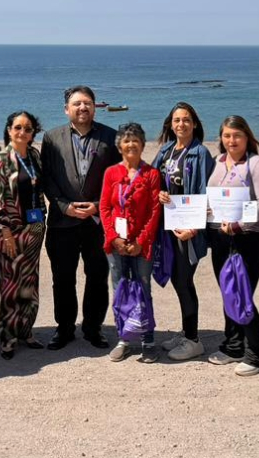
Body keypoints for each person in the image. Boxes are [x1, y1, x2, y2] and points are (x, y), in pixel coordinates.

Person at [40, 86, 118, 350]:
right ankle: (64, 328)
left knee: (97, 277)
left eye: (87, 103)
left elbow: (117, 178)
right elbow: (47, 177)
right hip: (63, 221)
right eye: (77, 103)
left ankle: (93, 328)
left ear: (94, 107)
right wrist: (64, 206)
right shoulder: (51, 138)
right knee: (63, 278)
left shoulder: (111, 137)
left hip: (98, 222)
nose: (82, 107)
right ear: (66, 109)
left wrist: (97, 206)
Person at [205, 115, 259, 376]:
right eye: (227, 135)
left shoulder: (257, 164)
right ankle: (234, 346)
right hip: (221, 237)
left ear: (247, 137)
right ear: (221, 138)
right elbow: (210, 197)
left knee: (241, 294)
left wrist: (238, 224)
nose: (231, 140)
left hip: (249, 238)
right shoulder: (217, 162)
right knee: (228, 292)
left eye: (237, 135)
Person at [151, 102, 215, 361]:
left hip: (188, 230)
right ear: (170, 124)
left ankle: (193, 340)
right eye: (177, 120)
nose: (181, 124)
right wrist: (159, 192)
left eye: (186, 119)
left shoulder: (200, 153)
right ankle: (186, 332)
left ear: (195, 123)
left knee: (184, 281)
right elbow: (153, 180)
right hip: (168, 226)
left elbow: (206, 192)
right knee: (178, 280)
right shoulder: (166, 150)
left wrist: (195, 228)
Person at [0, 111, 48, 359]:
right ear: (9, 130)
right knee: (11, 285)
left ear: (33, 133)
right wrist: (5, 230)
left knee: (30, 282)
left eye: (28, 128)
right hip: (8, 232)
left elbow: (39, 189)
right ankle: (8, 337)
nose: (23, 132)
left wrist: (41, 220)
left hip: (34, 228)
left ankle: (26, 331)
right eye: (18, 127)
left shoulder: (34, 155)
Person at [101, 122, 163, 362]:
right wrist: (114, 238)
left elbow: (154, 211)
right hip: (115, 243)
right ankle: (124, 339)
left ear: (143, 145)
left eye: (135, 140)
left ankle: (148, 339)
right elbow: (105, 208)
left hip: (141, 244)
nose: (131, 144)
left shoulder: (151, 174)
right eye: (126, 141)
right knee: (119, 289)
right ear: (119, 146)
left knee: (143, 287)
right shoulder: (111, 173)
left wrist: (140, 241)